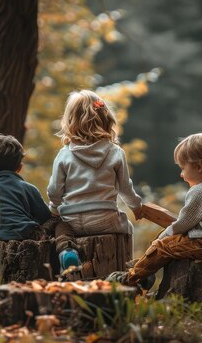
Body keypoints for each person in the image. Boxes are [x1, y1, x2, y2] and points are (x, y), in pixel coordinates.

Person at [107, 132, 202, 290]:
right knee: (169, 242)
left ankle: (131, 278)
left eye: (183, 168)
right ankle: (143, 267)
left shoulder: (200, 190)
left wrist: (166, 234)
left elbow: (185, 222)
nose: (181, 174)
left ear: (199, 167)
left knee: (162, 246)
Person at [47, 89, 144, 272]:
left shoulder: (64, 155)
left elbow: (54, 191)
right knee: (128, 227)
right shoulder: (115, 152)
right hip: (105, 219)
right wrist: (136, 207)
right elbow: (125, 188)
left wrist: (54, 209)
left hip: (72, 220)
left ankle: (67, 253)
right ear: (106, 119)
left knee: (60, 228)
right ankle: (131, 270)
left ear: (70, 121)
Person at [0, 133, 52, 241]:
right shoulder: (28, 188)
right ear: (19, 168)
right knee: (56, 221)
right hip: (26, 234)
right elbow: (45, 217)